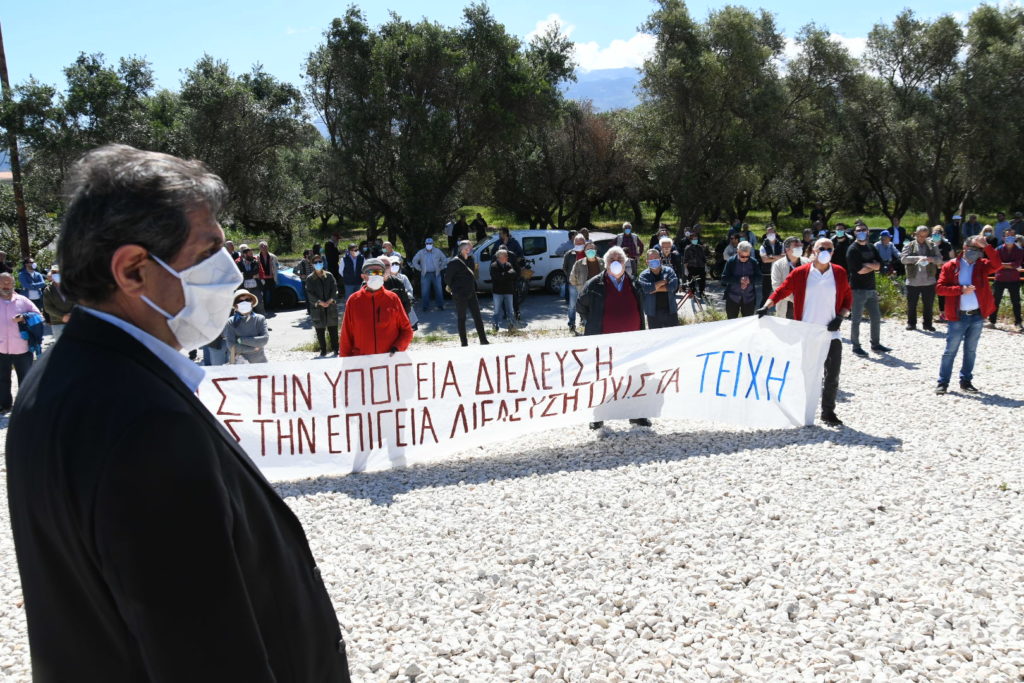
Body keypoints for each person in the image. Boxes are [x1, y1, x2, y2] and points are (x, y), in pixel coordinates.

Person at [5, 144, 351, 681]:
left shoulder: (60, 380)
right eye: (208, 251)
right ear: (133, 270)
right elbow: (202, 651)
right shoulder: (144, 424)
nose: (229, 270)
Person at [758, 238, 851, 427]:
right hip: (807, 332)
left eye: (829, 249)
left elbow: (848, 298)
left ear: (833, 252)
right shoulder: (801, 273)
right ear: (813, 251)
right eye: (821, 248)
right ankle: (800, 411)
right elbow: (782, 290)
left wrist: (840, 317)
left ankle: (828, 412)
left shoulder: (839, 273)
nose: (825, 251)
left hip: (831, 333)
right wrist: (766, 306)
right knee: (805, 374)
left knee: (832, 375)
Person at [575, 246, 650, 430]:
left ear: (625, 263)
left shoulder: (634, 283)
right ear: (606, 264)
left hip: (632, 342)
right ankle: (598, 416)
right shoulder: (594, 284)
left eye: (620, 259)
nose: (616, 262)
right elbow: (580, 306)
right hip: (604, 344)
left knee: (633, 378)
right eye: (612, 259)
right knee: (603, 379)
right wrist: (593, 322)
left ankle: (636, 415)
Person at [935, 235, 1002, 394]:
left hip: (977, 316)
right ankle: (943, 383)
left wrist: (986, 246)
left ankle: (966, 382)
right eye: (974, 249)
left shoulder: (982, 265)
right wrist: (960, 290)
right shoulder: (951, 266)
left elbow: (997, 264)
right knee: (950, 351)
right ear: (964, 249)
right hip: (958, 316)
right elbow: (940, 288)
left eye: (979, 250)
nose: (977, 253)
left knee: (970, 351)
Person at [340, 258, 413, 356]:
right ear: (363, 276)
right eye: (372, 272)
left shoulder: (393, 299)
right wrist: (345, 363)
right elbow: (346, 336)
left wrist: (397, 348)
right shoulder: (353, 300)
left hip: (389, 362)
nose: (377, 275)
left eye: (380, 272)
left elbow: (407, 330)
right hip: (363, 363)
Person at [846, 224, 890, 356]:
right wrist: (873, 266)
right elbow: (859, 271)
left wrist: (868, 265)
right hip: (857, 289)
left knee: (876, 318)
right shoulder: (852, 249)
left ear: (868, 232)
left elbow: (880, 265)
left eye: (863, 230)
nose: (861, 232)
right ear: (854, 233)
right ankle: (856, 346)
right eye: (858, 231)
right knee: (856, 319)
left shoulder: (871, 247)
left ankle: (875, 344)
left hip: (871, 288)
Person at [0, 271, 40, 411]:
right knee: (2, 379)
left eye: (9, 282)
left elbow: (38, 316)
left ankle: (24, 406)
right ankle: (4, 405)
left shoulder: (23, 300)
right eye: (3, 282)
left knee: (25, 379)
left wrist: (24, 317)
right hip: (1, 349)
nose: (6, 285)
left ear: (13, 283)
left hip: (22, 347)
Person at [445, 240, 489, 347]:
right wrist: (456, 289)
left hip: (471, 293)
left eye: (470, 248)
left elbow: (472, 274)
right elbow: (447, 279)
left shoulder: (471, 259)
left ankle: (483, 340)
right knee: (462, 318)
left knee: (478, 317)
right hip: (460, 295)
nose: (470, 250)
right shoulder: (454, 262)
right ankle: (464, 343)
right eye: (468, 248)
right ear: (461, 249)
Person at [901, 226, 942, 331]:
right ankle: (911, 323)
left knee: (928, 305)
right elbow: (903, 259)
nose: (922, 238)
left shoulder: (933, 245)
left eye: (924, 236)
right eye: (919, 236)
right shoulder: (909, 245)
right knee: (912, 304)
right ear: (915, 234)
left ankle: (927, 324)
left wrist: (930, 259)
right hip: (913, 281)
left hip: (929, 281)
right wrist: (918, 258)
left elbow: (939, 259)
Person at [304, 254, 340, 357]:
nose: (318, 264)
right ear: (312, 264)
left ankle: (335, 349)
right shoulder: (310, 278)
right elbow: (309, 293)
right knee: (320, 330)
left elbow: (335, 289)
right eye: (315, 262)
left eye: (320, 262)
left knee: (333, 329)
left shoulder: (329, 275)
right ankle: (323, 350)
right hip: (318, 308)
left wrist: (329, 300)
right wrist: (320, 302)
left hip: (330, 306)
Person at [988, 227, 1022, 331]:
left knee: (1016, 302)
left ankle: (1018, 323)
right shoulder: (998, 249)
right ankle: (992, 321)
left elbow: (1017, 264)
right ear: (1003, 237)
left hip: (1014, 279)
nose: (1009, 238)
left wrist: (1002, 265)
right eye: (1007, 236)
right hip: (1000, 279)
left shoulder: (1020, 250)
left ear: (1015, 237)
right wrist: (1008, 265)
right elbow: (995, 264)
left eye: (1012, 236)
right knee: (995, 301)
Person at [638, 248, 679, 329]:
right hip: (653, 313)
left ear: (660, 259)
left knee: (674, 337)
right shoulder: (643, 275)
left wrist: (653, 288)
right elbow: (646, 289)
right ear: (647, 262)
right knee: (656, 338)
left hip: (670, 311)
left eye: (656, 258)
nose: (654, 261)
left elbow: (673, 286)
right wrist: (663, 282)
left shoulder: (669, 271)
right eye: (651, 259)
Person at [225, 290, 269, 364]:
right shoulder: (230, 322)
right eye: (240, 301)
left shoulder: (260, 319)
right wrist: (253, 348)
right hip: (239, 365)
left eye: (247, 300)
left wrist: (240, 340)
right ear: (235, 305)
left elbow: (264, 340)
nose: (244, 302)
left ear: (251, 302)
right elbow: (231, 346)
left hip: (260, 362)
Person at [570, 242, 604, 333]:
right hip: (586, 295)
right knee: (587, 317)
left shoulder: (602, 262)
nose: (590, 251)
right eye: (588, 249)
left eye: (592, 249)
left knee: (601, 316)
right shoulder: (579, 263)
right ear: (584, 251)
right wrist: (581, 288)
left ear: (596, 250)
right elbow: (572, 279)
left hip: (601, 294)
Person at [721, 241, 759, 319]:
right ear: (738, 251)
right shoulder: (731, 261)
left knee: (748, 324)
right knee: (731, 323)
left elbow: (760, 278)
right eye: (742, 256)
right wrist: (739, 280)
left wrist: (749, 280)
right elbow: (724, 278)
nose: (745, 259)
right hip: (732, 298)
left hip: (749, 299)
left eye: (747, 256)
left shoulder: (753, 262)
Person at [771, 237, 808, 319]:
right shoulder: (778, 265)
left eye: (800, 246)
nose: (799, 248)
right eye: (796, 246)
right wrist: (794, 298)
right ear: (787, 249)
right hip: (786, 304)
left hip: (805, 304)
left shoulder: (807, 262)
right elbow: (776, 286)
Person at [411, 238, 447, 311]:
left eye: (430, 244)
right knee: (425, 291)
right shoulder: (421, 252)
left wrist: (440, 268)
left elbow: (444, 259)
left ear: (433, 244)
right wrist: (419, 268)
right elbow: (414, 260)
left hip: (436, 273)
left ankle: (440, 305)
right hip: (425, 274)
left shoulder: (437, 251)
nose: (429, 245)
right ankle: (425, 306)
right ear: (425, 244)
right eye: (427, 244)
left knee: (439, 290)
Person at [383, 255, 418, 330]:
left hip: (403, 300)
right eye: (393, 264)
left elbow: (409, 289)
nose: (395, 266)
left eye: (397, 264)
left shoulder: (403, 277)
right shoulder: (385, 278)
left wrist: (408, 296)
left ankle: (412, 324)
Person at [42, 265, 74, 341]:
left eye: (59, 272)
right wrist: (63, 316)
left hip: (73, 320)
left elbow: (78, 302)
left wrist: (72, 314)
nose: (57, 274)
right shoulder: (48, 290)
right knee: (62, 347)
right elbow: (48, 308)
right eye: (54, 272)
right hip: (57, 322)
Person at [490, 248, 518, 333]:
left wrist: (503, 275)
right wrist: (507, 275)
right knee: (496, 310)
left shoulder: (508, 264)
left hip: (508, 291)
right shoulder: (493, 266)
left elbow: (514, 274)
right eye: (506, 255)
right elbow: (497, 278)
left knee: (510, 310)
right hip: (498, 292)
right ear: (500, 257)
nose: (507, 257)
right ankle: (495, 325)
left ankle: (511, 325)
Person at [562, 234, 587, 333]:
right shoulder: (569, 254)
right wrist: (571, 278)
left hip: (585, 284)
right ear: (574, 243)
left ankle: (585, 322)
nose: (579, 244)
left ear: (584, 243)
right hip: (573, 284)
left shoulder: (588, 253)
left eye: (581, 243)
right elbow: (564, 268)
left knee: (586, 304)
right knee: (572, 305)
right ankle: (571, 324)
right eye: (577, 243)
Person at [758, 225, 784, 305]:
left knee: (781, 295)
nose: (770, 234)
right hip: (767, 274)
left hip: (779, 273)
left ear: (775, 233)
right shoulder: (763, 246)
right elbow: (764, 260)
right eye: (768, 233)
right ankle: (762, 312)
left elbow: (784, 257)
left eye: (772, 232)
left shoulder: (781, 244)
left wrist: (771, 256)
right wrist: (777, 257)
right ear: (766, 235)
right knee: (765, 295)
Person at [236, 244, 264, 313]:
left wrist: (246, 274)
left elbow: (256, 271)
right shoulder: (239, 263)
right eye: (250, 254)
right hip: (244, 289)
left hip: (255, 288)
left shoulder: (255, 262)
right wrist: (252, 275)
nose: (252, 255)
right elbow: (241, 275)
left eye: (252, 253)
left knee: (259, 305)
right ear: (244, 254)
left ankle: (262, 319)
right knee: (245, 306)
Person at [256, 241, 278, 311]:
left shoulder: (273, 256)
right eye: (262, 246)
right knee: (263, 294)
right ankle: (264, 307)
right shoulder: (257, 257)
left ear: (267, 247)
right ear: (259, 248)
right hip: (262, 278)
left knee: (273, 294)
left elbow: (276, 266)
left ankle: (273, 307)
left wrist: (275, 276)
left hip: (271, 278)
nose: (264, 248)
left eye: (265, 246)